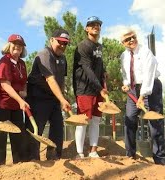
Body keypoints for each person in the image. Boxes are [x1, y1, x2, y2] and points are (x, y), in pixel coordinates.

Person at [119, 27, 165, 165]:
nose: (131, 40)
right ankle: (130, 156)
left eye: (133, 37)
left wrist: (143, 95)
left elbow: (149, 75)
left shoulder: (146, 52)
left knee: (155, 124)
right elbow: (125, 73)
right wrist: (126, 84)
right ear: (123, 43)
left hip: (151, 88)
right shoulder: (124, 56)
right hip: (133, 90)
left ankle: (160, 161)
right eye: (127, 39)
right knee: (129, 121)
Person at [24, 28, 71, 161]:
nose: (62, 45)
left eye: (65, 43)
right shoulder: (44, 54)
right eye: (60, 42)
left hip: (53, 98)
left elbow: (61, 80)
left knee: (58, 127)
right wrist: (61, 99)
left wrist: (63, 97)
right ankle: (32, 161)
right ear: (51, 40)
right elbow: (50, 79)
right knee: (36, 129)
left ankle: (54, 157)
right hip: (37, 96)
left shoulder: (63, 59)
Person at [0, 34, 30, 167]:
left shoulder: (22, 64)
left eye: (20, 45)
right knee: (0, 141)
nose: (18, 47)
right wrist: (20, 100)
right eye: (14, 44)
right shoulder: (4, 62)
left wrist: (24, 92)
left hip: (15, 106)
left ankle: (18, 168)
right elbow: (5, 85)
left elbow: (24, 82)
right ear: (8, 45)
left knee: (18, 138)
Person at [72, 16, 108, 159]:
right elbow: (87, 69)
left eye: (98, 24)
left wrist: (104, 71)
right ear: (86, 29)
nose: (96, 27)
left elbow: (99, 64)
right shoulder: (83, 46)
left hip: (97, 88)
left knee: (96, 120)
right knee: (83, 121)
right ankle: (79, 153)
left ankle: (93, 151)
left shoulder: (99, 46)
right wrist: (100, 88)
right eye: (92, 25)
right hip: (85, 89)